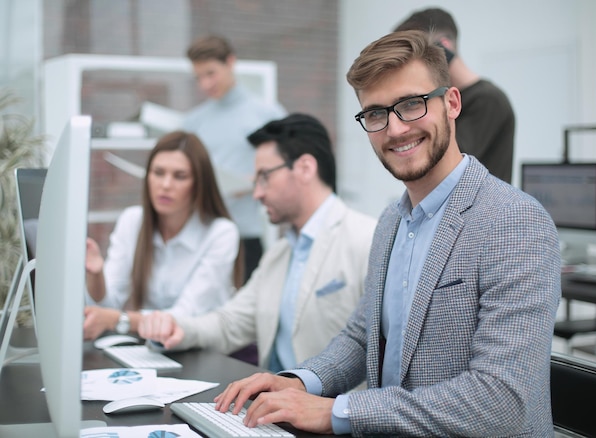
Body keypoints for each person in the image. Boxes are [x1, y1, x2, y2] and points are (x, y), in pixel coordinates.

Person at [209, 31, 561, 437]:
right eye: (376, 114)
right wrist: (300, 382)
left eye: (411, 104)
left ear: (451, 103)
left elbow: (501, 400)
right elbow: (363, 337)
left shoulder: (514, 222)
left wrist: (337, 412)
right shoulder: (392, 221)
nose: (394, 129)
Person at [138, 113, 377, 372]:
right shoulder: (279, 255)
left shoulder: (367, 240)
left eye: (264, 177)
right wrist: (176, 328)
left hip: (328, 408)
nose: (257, 193)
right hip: (271, 403)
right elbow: (229, 324)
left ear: (305, 168)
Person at [83, 131, 244, 340]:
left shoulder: (221, 233)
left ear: (199, 184)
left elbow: (184, 315)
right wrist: (96, 275)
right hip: (151, 348)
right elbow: (106, 307)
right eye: (158, 173)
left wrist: (117, 320)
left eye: (180, 176)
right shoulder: (133, 221)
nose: (165, 185)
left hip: (202, 349)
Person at [182, 34, 287, 281]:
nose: (205, 84)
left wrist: (257, 180)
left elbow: (287, 164)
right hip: (200, 234)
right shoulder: (192, 122)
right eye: (199, 78)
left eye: (211, 73)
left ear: (230, 62)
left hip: (246, 235)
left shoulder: (266, 114)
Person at [394, 7, 516, 183]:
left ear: (444, 48)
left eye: (415, 52)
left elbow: (444, 163)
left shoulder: (488, 100)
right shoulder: (439, 97)